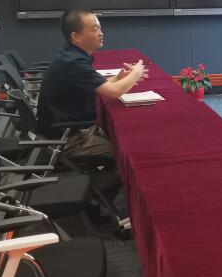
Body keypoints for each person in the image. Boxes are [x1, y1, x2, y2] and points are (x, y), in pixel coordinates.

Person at [37, 8, 148, 163]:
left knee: (126, 137)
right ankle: (105, 179)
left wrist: (119, 77)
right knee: (129, 155)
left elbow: (98, 85)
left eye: (100, 28)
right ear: (76, 36)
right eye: (95, 29)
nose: (101, 33)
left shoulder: (70, 55)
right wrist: (136, 72)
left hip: (70, 129)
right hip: (68, 139)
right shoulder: (73, 63)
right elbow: (114, 92)